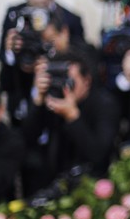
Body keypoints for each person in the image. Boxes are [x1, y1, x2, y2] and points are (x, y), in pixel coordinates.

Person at [21, 52, 119, 197]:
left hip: (91, 185)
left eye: (70, 81)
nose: (63, 87)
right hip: (54, 180)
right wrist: (38, 100)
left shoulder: (104, 104)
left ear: (87, 81)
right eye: (57, 79)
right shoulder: (53, 98)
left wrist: (72, 116)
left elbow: (99, 155)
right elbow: (27, 139)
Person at [0, 0, 85, 124]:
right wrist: (12, 52)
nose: (38, 11)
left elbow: (82, 60)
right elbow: (3, 57)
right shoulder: (15, 15)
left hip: (56, 86)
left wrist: (59, 48)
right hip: (21, 88)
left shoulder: (70, 19)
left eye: (43, 5)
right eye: (33, 6)